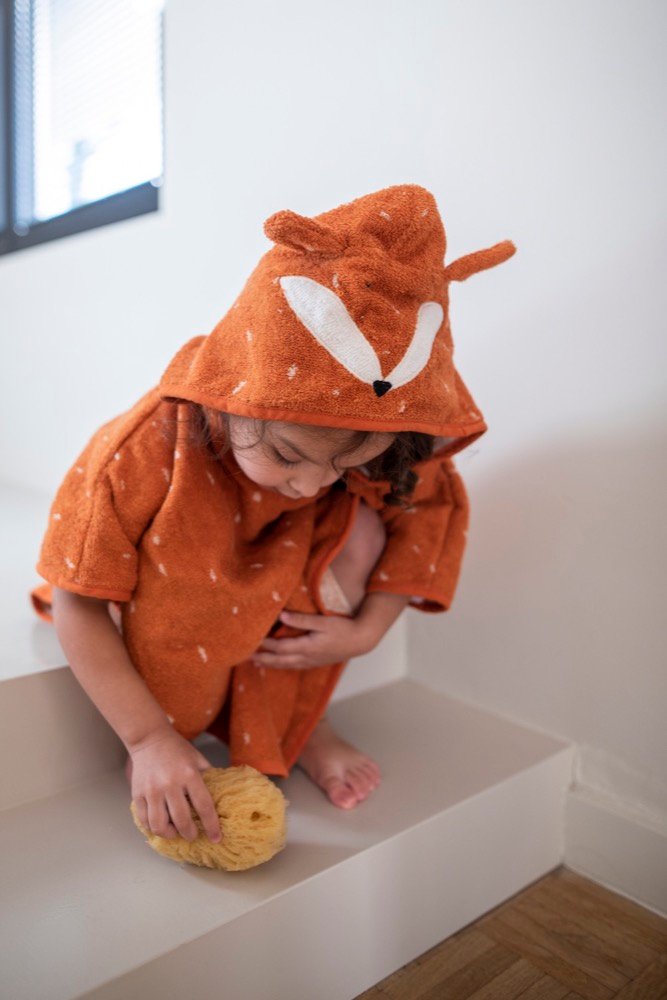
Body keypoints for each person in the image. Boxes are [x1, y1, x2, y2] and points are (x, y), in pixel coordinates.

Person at [30, 184, 515, 845]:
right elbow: (77, 599)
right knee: (189, 560)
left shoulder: (361, 448)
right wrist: (147, 739)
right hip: (171, 585)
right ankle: (179, 736)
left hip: (281, 584)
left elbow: (427, 519)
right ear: (233, 400)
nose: (310, 485)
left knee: (370, 520)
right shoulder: (142, 449)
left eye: (340, 469)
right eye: (289, 454)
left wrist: (368, 629)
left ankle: (300, 722)